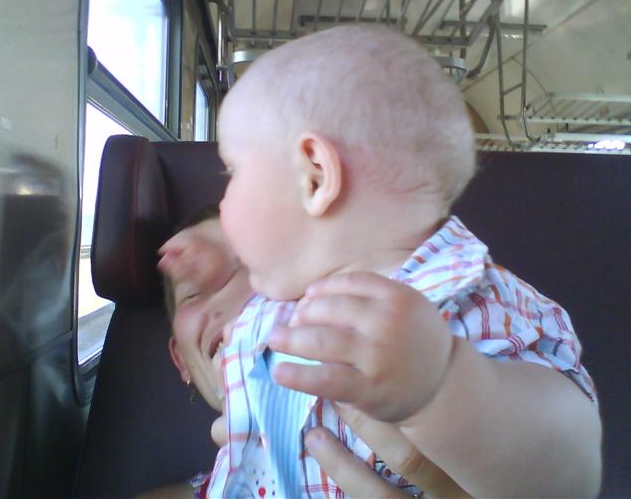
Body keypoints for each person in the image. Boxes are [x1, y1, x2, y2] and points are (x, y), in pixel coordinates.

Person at [212, 24, 602, 497]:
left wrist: (442, 385)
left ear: (314, 176)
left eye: (231, 170)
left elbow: (571, 477)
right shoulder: (271, 310)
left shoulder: (475, 307)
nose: (221, 202)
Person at [154, 209, 471, 498]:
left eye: (250, 269)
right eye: (191, 296)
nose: (227, 297)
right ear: (181, 360)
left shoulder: (427, 399)